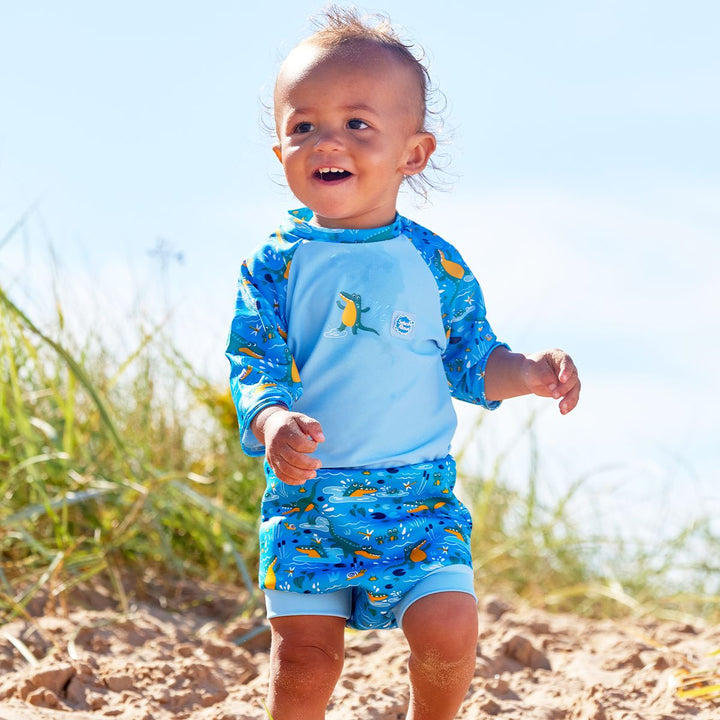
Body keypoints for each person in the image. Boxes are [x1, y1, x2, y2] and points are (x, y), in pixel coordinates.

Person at [225, 7, 580, 719]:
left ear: (412, 154)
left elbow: (474, 363)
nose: (327, 140)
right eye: (303, 126)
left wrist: (531, 374)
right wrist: (271, 424)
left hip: (418, 499)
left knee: (449, 630)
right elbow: (251, 361)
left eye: (357, 123)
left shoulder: (434, 263)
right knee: (304, 660)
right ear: (280, 154)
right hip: (308, 501)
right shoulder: (276, 262)